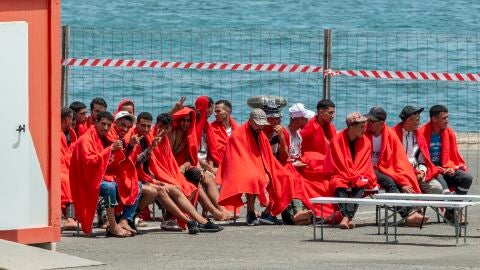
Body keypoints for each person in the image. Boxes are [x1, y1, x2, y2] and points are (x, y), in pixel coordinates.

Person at [131, 112, 223, 234]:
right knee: (178, 186)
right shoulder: (144, 138)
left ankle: (196, 220)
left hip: (154, 176)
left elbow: (173, 162)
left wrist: (181, 169)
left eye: (166, 128)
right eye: (143, 125)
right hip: (146, 177)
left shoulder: (163, 139)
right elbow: (141, 164)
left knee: (189, 184)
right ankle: (195, 220)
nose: (162, 130)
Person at [217, 108, 294, 226]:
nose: (260, 127)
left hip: (262, 165)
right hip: (239, 167)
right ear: (251, 121)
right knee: (254, 177)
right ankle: (250, 212)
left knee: (286, 176)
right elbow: (238, 158)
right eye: (258, 124)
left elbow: (268, 155)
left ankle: (268, 213)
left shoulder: (261, 134)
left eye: (262, 125)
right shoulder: (237, 135)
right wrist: (262, 171)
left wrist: (267, 170)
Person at [70, 111, 139, 237]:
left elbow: (118, 162)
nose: (105, 128)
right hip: (86, 178)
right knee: (110, 187)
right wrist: (110, 149)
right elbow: (89, 163)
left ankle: (124, 220)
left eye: (108, 125)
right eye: (103, 124)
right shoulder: (85, 139)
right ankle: (113, 226)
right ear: (95, 122)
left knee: (136, 185)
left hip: (102, 175)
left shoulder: (107, 137)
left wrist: (129, 147)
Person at [365, 106, 427, 226]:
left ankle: (411, 211)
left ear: (381, 123)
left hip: (384, 168)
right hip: (367, 168)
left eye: (372, 121)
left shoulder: (390, 135)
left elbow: (397, 161)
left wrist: (403, 180)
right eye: (368, 120)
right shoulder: (364, 134)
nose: (369, 123)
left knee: (396, 180)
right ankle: (408, 214)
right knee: (390, 182)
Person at [169, 103, 231, 221]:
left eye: (188, 121)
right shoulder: (173, 132)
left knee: (207, 177)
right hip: (169, 169)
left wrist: (184, 166)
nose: (186, 123)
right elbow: (161, 124)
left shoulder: (188, 135)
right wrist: (174, 110)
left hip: (183, 167)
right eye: (183, 120)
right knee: (197, 180)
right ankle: (215, 212)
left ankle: (221, 209)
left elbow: (190, 158)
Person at [418, 105, 473, 222]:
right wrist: (439, 169)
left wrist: (452, 167)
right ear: (434, 119)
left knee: (467, 178)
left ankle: (451, 211)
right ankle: (454, 211)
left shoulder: (449, 132)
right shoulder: (421, 133)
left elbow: (453, 156)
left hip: (445, 169)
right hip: (430, 173)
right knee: (438, 176)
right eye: (444, 118)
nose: (447, 120)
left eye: (447, 117)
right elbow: (420, 160)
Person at [325, 112, 377, 229]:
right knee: (337, 183)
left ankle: (346, 217)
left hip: (360, 173)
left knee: (361, 182)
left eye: (365, 126)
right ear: (351, 127)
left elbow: (365, 164)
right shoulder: (336, 140)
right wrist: (348, 174)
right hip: (341, 173)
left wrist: (355, 174)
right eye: (361, 127)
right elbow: (334, 164)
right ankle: (348, 217)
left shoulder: (366, 142)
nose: (365, 130)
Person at [393, 106, 446, 194]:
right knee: (409, 191)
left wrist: (422, 171)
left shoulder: (419, 135)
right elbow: (391, 161)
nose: (419, 122)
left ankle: (417, 206)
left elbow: (423, 158)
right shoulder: (393, 134)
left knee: (437, 188)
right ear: (408, 120)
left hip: (417, 171)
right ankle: (415, 206)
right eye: (417, 120)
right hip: (400, 172)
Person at [60, 107, 78, 230]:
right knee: (69, 182)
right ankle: (69, 218)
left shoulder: (63, 133)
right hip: (61, 171)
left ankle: (71, 218)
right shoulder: (60, 134)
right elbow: (64, 157)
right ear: (67, 119)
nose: (72, 123)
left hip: (62, 169)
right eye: (71, 120)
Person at [194, 96, 222, 172]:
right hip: (195, 164)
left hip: (206, 164)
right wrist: (211, 169)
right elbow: (191, 154)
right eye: (210, 111)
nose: (212, 113)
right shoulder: (192, 126)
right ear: (204, 108)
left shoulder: (207, 127)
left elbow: (211, 152)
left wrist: (211, 167)